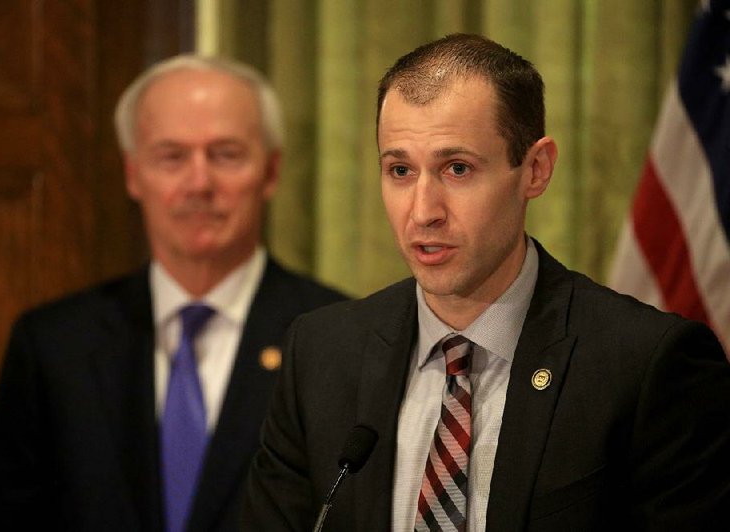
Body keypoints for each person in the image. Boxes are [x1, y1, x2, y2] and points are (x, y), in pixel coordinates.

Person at [241, 33, 730, 531]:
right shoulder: (320, 354)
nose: (423, 212)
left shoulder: (647, 364)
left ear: (535, 170)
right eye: (400, 170)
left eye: (457, 168)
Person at [0, 55, 346, 532]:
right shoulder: (52, 346)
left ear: (270, 172)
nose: (199, 183)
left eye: (226, 154)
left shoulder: (338, 338)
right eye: (171, 156)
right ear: (132, 173)